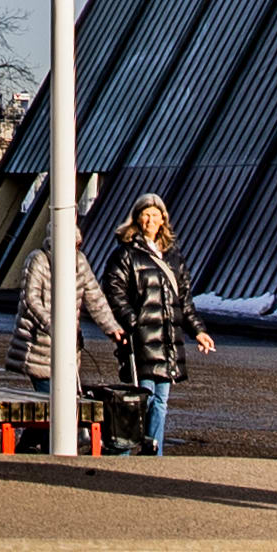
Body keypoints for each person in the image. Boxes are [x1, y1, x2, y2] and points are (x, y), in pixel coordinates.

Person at [104, 194, 212, 457]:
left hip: (168, 340)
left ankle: (154, 453)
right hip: (141, 339)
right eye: (145, 214)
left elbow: (184, 301)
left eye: (155, 215)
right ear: (137, 219)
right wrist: (133, 323)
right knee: (143, 397)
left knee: (161, 401)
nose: (150, 220)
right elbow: (114, 292)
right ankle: (126, 453)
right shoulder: (126, 254)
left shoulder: (173, 257)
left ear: (163, 219)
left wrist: (199, 331)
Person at [14, 221, 120, 451]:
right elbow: (30, 299)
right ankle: (44, 449)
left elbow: (94, 297)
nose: (74, 249)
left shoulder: (79, 262)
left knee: (57, 403)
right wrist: (54, 326)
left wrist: (112, 327)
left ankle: (28, 447)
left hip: (69, 348)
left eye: (77, 244)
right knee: (53, 402)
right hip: (39, 346)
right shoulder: (39, 260)